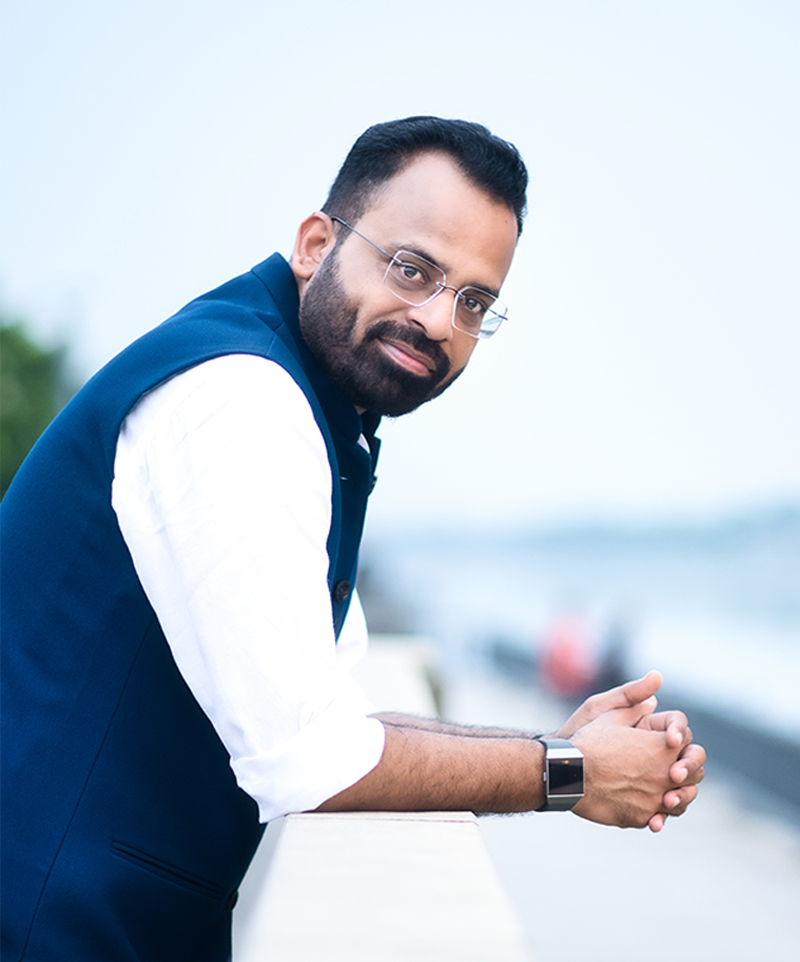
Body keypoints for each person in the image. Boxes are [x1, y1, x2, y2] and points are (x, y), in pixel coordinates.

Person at [0, 117, 705, 962]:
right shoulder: (241, 401)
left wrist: (563, 744)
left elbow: (324, 713)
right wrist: (568, 772)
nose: (439, 320)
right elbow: (309, 757)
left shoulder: (310, 406)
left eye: (474, 302)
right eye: (413, 269)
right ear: (315, 245)